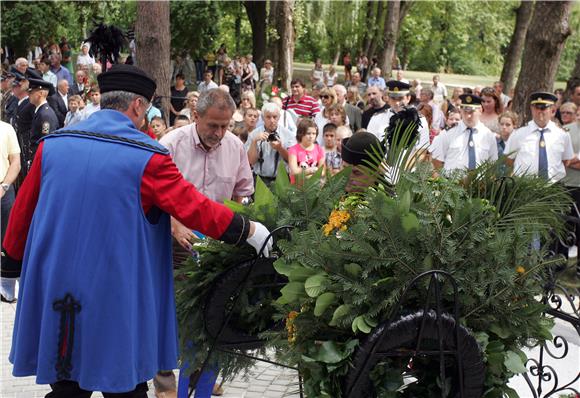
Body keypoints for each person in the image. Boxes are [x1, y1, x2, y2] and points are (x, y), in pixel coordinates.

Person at [1, 64, 272, 398]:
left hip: (59, 290)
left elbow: (23, 211)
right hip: (115, 295)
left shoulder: (52, 146)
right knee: (124, 387)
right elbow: (194, 208)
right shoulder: (147, 157)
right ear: (139, 106)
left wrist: (11, 260)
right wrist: (248, 230)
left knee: (67, 384)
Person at [505, 92, 574, 182]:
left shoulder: (562, 135)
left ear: (552, 110)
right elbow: (509, 159)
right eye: (536, 108)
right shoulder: (519, 134)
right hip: (524, 185)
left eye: (543, 108)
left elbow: (566, 160)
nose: (539, 111)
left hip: (553, 186)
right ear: (531, 109)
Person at [431, 94, 498, 174]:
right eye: (465, 112)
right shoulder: (448, 133)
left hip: (478, 185)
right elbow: (437, 161)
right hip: (450, 183)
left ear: (480, 110)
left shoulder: (488, 135)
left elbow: (492, 164)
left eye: (471, 112)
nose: (468, 116)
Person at [246, 102, 296, 186]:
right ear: (262, 118)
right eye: (268, 117)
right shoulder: (254, 134)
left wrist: (280, 148)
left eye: (275, 117)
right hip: (260, 179)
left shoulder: (288, 135)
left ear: (279, 117)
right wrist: (254, 142)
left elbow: (292, 161)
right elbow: (250, 161)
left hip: (281, 180)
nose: (272, 120)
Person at [0, 120, 21, 303]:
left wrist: (4, 186)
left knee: (6, 240)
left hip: (3, 190)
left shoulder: (6, 129)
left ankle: (5, 287)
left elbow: (15, 162)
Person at [27, 78, 59, 157]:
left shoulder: (45, 115)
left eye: (31, 92)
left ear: (40, 93)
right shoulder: (40, 111)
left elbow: (45, 141)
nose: (28, 95)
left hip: (41, 157)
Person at [288, 118, 325, 185]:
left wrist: (304, 173)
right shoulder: (293, 150)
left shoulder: (319, 149)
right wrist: (311, 170)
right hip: (297, 188)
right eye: (308, 133)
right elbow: (294, 171)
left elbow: (322, 171)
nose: (311, 136)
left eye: (314, 134)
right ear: (301, 133)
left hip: (314, 187)